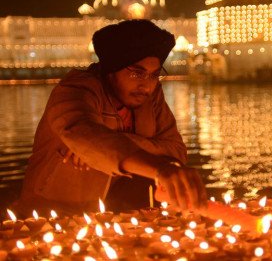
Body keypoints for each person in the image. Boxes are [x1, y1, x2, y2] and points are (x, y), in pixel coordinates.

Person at [16, 20, 207, 215]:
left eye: (153, 75)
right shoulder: (75, 90)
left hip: (114, 215)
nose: (147, 86)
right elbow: (85, 135)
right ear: (111, 71)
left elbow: (176, 151)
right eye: (136, 74)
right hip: (50, 218)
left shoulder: (150, 96)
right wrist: (158, 166)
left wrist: (118, 141)